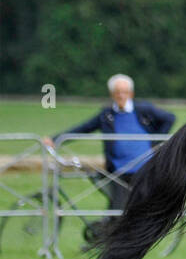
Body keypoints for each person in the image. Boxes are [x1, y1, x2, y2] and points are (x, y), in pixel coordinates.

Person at [43, 73, 176, 217]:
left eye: (124, 92)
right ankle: (110, 236)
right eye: (117, 92)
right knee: (117, 212)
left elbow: (169, 118)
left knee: (143, 210)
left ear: (131, 94)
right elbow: (84, 128)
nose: (121, 96)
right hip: (118, 171)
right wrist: (55, 139)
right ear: (112, 94)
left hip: (144, 169)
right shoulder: (106, 115)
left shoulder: (143, 109)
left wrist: (155, 141)